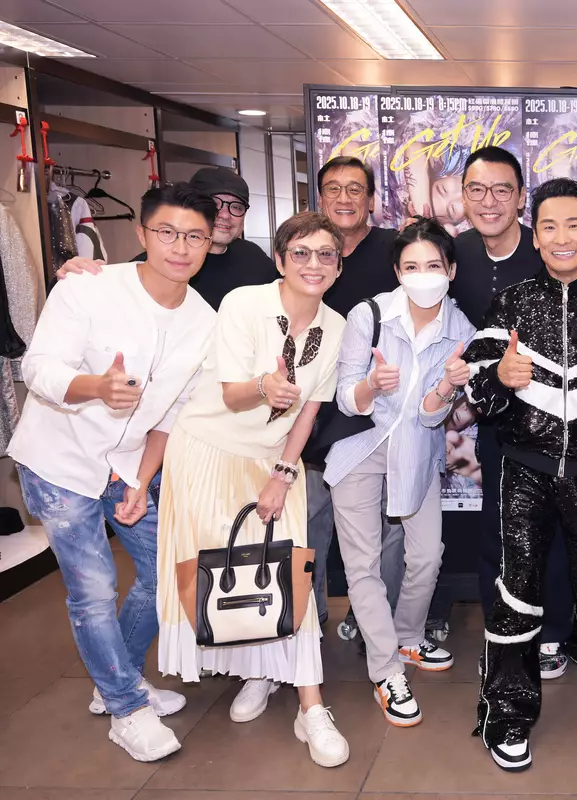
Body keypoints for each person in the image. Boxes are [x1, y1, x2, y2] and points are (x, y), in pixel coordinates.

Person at [8, 184, 219, 762]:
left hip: (126, 464)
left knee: (166, 572)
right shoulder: (89, 287)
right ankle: (126, 707)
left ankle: (115, 680)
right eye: (167, 232)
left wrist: (142, 480)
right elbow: (38, 367)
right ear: (143, 233)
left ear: (210, 243)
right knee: (94, 588)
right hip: (59, 460)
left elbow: (172, 415)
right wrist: (95, 387)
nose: (180, 247)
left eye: (195, 236)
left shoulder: (205, 322)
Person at [463, 177, 577, 771]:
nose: (562, 237)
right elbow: (477, 393)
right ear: (535, 236)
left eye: (575, 225)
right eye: (549, 226)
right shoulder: (511, 302)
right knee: (516, 592)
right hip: (525, 471)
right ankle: (507, 713)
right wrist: (500, 378)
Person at [156, 211, 349, 767]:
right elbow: (232, 396)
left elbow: (309, 412)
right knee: (226, 571)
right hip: (208, 450)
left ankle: (311, 707)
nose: (314, 264)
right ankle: (258, 672)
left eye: (326, 255)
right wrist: (265, 386)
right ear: (280, 260)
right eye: (301, 253)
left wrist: (284, 475)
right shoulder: (244, 303)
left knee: (289, 571)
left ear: (339, 267)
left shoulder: (336, 326)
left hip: (273, 461)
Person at [324, 218, 475, 727]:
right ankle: (386, 669)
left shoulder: (461, 331)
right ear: (397, 271)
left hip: (417, 452)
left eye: (433, 265)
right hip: (361, 450)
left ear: (451, 271)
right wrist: (371, 384)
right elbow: (347, 397)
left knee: (427, 555)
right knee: (362, 565)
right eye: (411, 266)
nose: (422, 275)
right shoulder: (368, 315)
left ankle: (409, 636)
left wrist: (447, 388)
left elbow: (433, 418)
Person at [450, 146, 576, 681]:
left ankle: (553, 634)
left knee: (554, 531)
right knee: (498, 532)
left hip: (552, 423)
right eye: (477, 190)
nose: (489, 201)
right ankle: (502, 633)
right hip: (491, 420)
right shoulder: (455, 255)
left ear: (521, 197)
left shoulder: (545, 252)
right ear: (463, 197)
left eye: (502, 190)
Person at [308, 156, 403, 627]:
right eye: (333, 188)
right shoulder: (307, 250)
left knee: (386, 527)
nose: (343, 198)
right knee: (309, 523)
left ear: (371, 199)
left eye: (354, 189)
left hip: (377, 416)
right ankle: (307, 621)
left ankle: (375, 623)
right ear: (320, 196)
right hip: (312, 414)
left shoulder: (393, 249)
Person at [54, 166, 278, 310]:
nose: (225, 214)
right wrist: (75, 280)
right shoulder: (152, 265)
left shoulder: (254, 257)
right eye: (215, 204)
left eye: (236, 206)